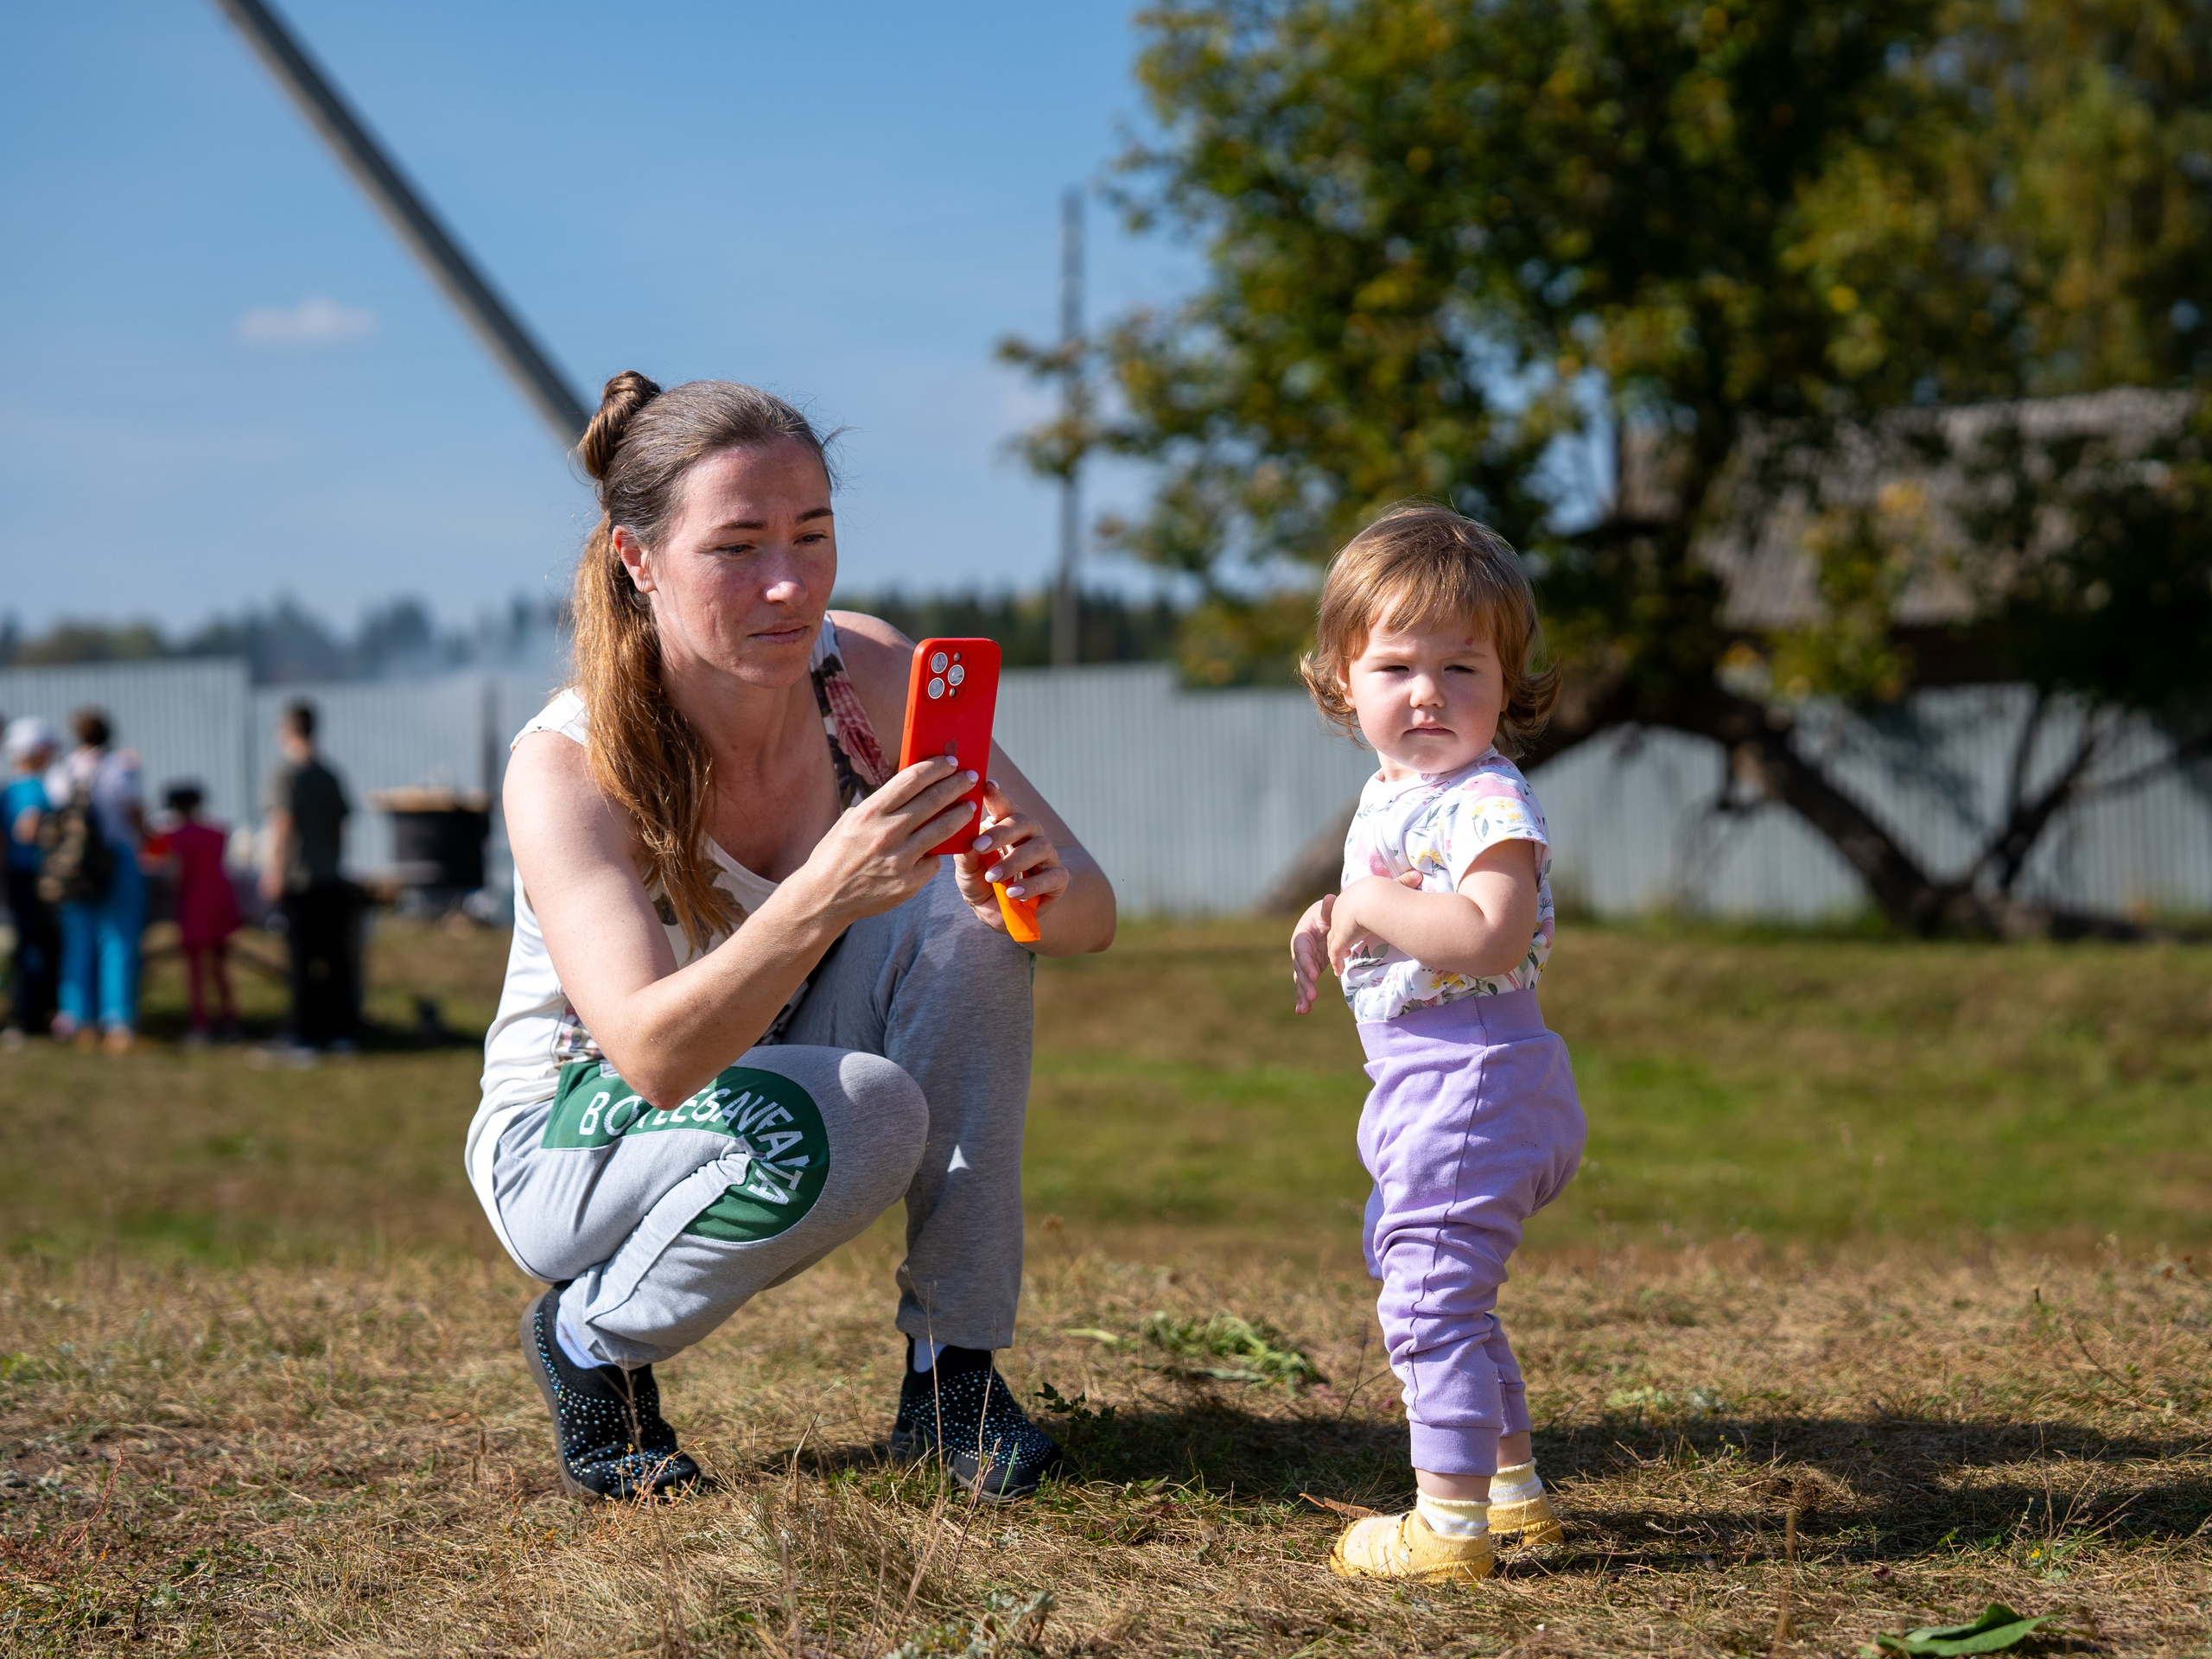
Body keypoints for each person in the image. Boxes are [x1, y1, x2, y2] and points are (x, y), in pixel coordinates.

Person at [477, 372, 1116, 1503]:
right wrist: (822, 889)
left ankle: (953, 1377)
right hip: (578, 1137)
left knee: (965, 918)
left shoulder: (866, 676)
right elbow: (654, 1054)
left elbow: (1091, 916)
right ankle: (589, 1344)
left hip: (774, 1060)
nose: (788, 584)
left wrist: (1030, 886)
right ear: (638, 559)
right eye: (736, 548)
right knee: (862, 1108)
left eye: (812, 535)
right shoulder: (569, 761)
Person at [1287, 504, 1584, 1583]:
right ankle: (1512, 1496)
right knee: (1432, 1277)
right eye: (1396, 666)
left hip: (1474, 1080)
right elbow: (1399, 904)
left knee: (1426, 1300)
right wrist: (1336, 915)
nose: (1427, 694)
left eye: (1462, 669)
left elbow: (1485, 929)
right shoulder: (1401, 793)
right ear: (1342, 679)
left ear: (1508, 685)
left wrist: (1364, 896)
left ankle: (1444, 1525)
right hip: (1439, 1082)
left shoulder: (1485, 798)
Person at [260, 701, 358, 1052]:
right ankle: (341, 1033)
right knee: (334, 961)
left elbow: (283, 825)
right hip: (330, 877)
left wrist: (274, 872)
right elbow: (343, 823)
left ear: (287, 729)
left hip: (299, 880)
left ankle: (302, 1035)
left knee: (301, 962)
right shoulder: (329, 774)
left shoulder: (285, 774)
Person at [48, 709, 148, 1053]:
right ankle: (117, 1022)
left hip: (73, 867)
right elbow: (134, 810)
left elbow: (54, 814)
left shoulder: (63, 770)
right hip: (116, 858)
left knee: (78, 941)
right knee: (117, 941)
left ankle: (78, 1019)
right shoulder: (119, 767)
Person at [163, 783, 241, 1044]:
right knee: (220, 965)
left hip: (195, 903)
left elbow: (176, 874)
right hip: (220, 899)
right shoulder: (218, 831)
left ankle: (201, 1024)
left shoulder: (175, 835)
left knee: (196, 969)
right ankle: (230, 1021)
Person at [3, 717, 61, 1045]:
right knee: (41, 947)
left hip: (16, 875)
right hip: (38, 877)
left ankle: (26, 1015)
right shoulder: (37, 788)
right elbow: (26, 830)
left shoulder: (9, 789)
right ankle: (35, 1015)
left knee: (27, 945)